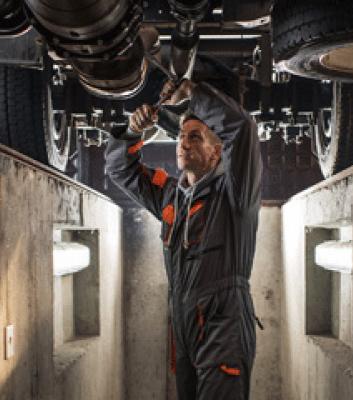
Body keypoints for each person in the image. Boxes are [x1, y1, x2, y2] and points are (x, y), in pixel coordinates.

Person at [105, 79, 262, 400]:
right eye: (180, 136)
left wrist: (193, 94)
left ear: (216, 152)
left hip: (224, 322)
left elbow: (242, 128)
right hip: (183, 323)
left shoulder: (235, 194)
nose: (183, 143)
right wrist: (134, 132)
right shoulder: (170, 196)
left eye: (195, 137)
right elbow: (121, 171)